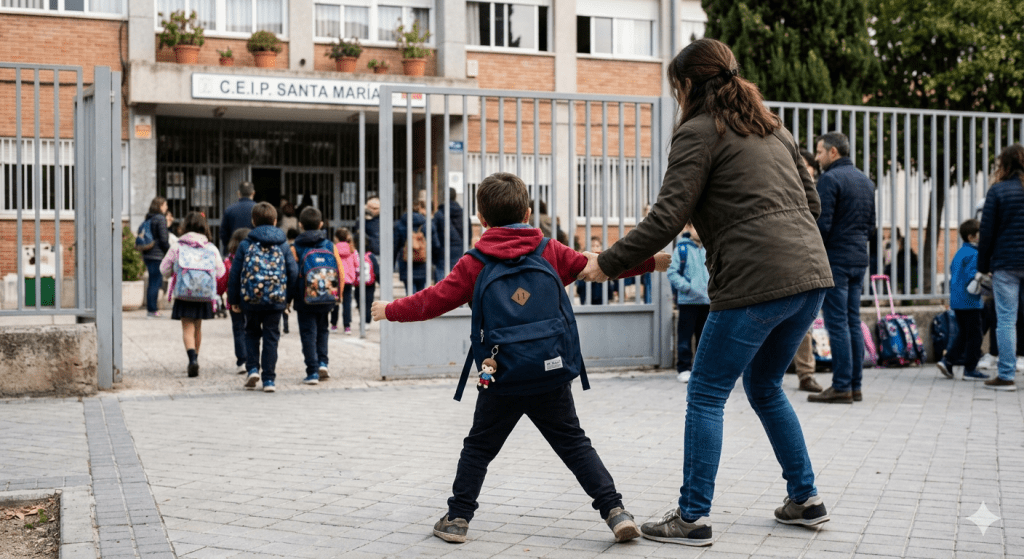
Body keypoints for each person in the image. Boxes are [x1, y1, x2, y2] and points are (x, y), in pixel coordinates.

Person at [578, 38, 834, 546]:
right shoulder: (774, 127)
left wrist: (605, 265)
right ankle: (805, 498)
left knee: (707, 392)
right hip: (811, 278)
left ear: (689, 84)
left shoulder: (699, 132)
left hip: (756, 281)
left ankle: (692, 516)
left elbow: (666, 218)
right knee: (764, 387)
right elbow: (813, 203)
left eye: (678, 86)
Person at [371, 172, 668, 546]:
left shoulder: (475, 262)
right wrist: (651, 262)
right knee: (575, 444)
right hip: (551, 370)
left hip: (501, 375)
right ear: (527, 212)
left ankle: (458, 518)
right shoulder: (550, 251)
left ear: (481, 218)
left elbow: (432, 300)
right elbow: (601, 266)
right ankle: (616, 511)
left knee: (479, 447)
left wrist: (389, 309)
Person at [807, 131, 876, 405]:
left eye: (820, 152)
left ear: (833, 152)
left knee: (837, 323)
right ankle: (855, 386)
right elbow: (871, 227)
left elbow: (822, 226)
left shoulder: (830, 179)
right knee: (852, 321)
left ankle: (842, 386)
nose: (817, 157)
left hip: (836, 260)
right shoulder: (866, 181)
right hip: (859, 260)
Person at [228, 202, 298, 393]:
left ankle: (252, 369)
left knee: (250, 332)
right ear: (275, 221)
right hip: (276, 300)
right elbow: (293, 272)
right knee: (271, 337)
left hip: (251, 300)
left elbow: (235, 273)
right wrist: (288, 299)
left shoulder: (245, 244)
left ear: (253, 221)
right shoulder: (283, 244)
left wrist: (234, 300)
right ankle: (269, 379)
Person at [977, 143, 1024, 391]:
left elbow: (986, 232)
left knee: (1006, 318)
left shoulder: (998, 191)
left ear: (1003, 164)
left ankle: (1006, 376)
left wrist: (983, 265)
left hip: (1006, 264)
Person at [159, 212, 225, 378]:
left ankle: (192, 359)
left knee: (187, 326)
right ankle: (196, 358)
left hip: (184, 293)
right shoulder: (210, 248)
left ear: (185, 227)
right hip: (203, 294)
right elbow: (221, 270)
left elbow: (163, 269)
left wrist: (173, 273)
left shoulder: (177, 246)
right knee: (198, 326)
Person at [292, 207, 342, 385]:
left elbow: (292, 273)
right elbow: (339, 271)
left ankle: (312, 372)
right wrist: (339, 295)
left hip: (303, 297)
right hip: (326, 295)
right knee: (323, 330)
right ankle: (323, 363)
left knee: (307, 333)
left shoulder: (295, 246)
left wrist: (289, 298)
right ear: (321, 224)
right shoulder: (329, 245)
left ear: (300, 225)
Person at [937, 219, 988, 381]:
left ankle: (948, 361)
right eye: (981, 233)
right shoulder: (975, 254)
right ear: (972, 236)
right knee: (975, 336)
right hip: (970, 301)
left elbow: (954, 271)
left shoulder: (960, 252)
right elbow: (971, 277)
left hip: (957, 300)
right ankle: (970, 369)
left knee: (964, 334)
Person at [790, 150, 824, 393]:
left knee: (804, 323)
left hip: (809, 260)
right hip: (783, 257)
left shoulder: (821, 191)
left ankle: (806, 374)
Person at [667, 223, 709, 384]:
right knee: (685, 337)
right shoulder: (681, 249)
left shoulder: (709, 248)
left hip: (707, 301)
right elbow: (672, 272)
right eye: (696, 226)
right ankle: (684, 368)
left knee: (704, 338)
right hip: (688, 302)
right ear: (689, 228)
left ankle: (700, 370)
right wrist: (687, 287)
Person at [395, 199, 441, 295]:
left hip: (406, 263)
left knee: (410, 294)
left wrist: (393, 263)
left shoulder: (399, 224)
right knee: (421, 295)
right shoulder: (428, 224)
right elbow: (436, 245)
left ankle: (411, 310)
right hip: (423, 263)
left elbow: (395, 246)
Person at [225, 228, 251, 374]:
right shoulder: (254, 258)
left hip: (234, 301)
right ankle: (253, 359)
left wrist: (219, 293)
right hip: (251, 299)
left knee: (238, 329)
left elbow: (223, 280)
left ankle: (242, 360)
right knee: (251, 329)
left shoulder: (229, 261)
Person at [142, 197, 171, 318]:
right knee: (155, 282)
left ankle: (151, 309)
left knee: (152, 281)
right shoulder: (160, 218)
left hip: (148, 253)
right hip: (157, 254)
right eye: (165, 205)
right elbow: (164, 239)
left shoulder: (149, 217)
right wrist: (169, 252)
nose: (166, 207)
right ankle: (152, 310)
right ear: (160, 206)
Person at [353, 197, 381, 323]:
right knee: (361, 287)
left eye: (377, 208)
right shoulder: (361, 220)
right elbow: (357, 235)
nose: (374, 211)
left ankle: (367, 317)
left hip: (379, 254)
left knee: (371, 286)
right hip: (365, 255)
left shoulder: (383, 219)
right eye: (372, 208)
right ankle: (362, 312)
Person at [432, 188, 465, 281]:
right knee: (457, 275)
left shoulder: (439, 213)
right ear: (455, 197)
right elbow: (468, 232)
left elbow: (432, 230)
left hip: (443, 248)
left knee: (441, 275)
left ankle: (439, 295)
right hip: (459, 248)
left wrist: (436, 245)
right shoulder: (462, 213)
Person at [575, 237, 619, 304]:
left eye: (597, 246)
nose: (595, 248)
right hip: (587, 295)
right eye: (592, 246)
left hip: (603, 295)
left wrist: (615, 290)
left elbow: (613, 275)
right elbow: (579, 279)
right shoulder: (584, 261)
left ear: (601, 248)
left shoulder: (605, 261)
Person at [332, 228, 358, 334]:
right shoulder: (352, 249)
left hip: (336, 279)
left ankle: (334, 325)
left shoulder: (333, 249)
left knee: (335, 302)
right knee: (347, 303)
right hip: (348, 280)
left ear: (336, 238)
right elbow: (357, 264)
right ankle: (347, 326)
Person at [220, 181, 256, 253]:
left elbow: (223, 233)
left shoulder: (229, 209)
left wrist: (229, 247)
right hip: (253, 251)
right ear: (253, 193)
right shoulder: (258, 209)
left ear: (238, 193)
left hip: (234, 251)